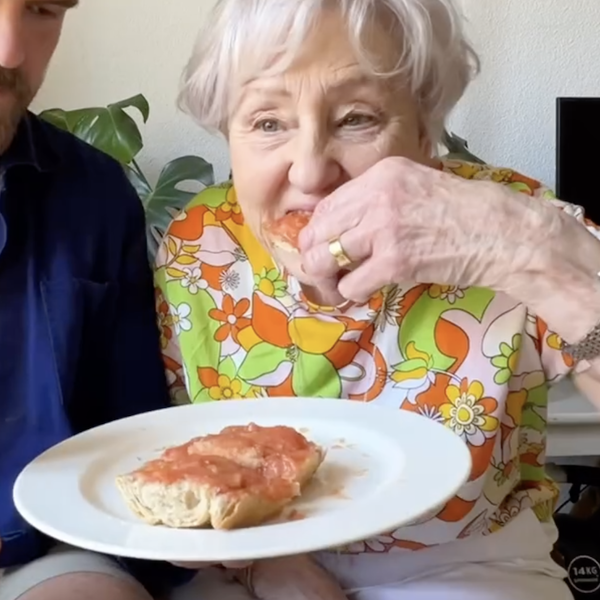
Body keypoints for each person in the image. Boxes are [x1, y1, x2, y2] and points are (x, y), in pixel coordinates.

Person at [155, 0, 600, 599]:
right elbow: (192, 454)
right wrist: (259, 562)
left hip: (471, 562)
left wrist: (524, 253)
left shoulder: (507, 221)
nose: (311, 172)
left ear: (425, 129)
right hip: (251, 552)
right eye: (268, 123)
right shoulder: (200, 241)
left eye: (357, 118)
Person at [0, 2, 192, 599]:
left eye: (40, 10)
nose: (10, 50)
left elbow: (131, 429)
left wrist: (247, 557)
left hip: (47, 547)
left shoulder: (97, 195)